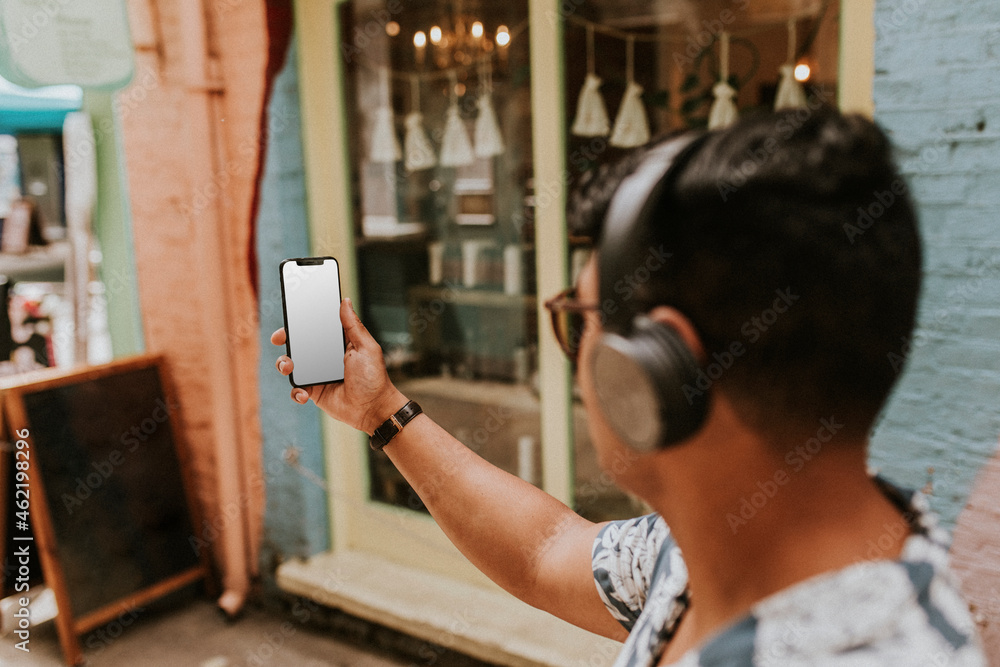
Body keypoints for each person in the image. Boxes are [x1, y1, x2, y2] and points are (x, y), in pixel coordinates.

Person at [272, 108, 985, 665]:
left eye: (578, 319)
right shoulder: (722, 541)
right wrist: (380, 411)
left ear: (656, 362)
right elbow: (544, 547)